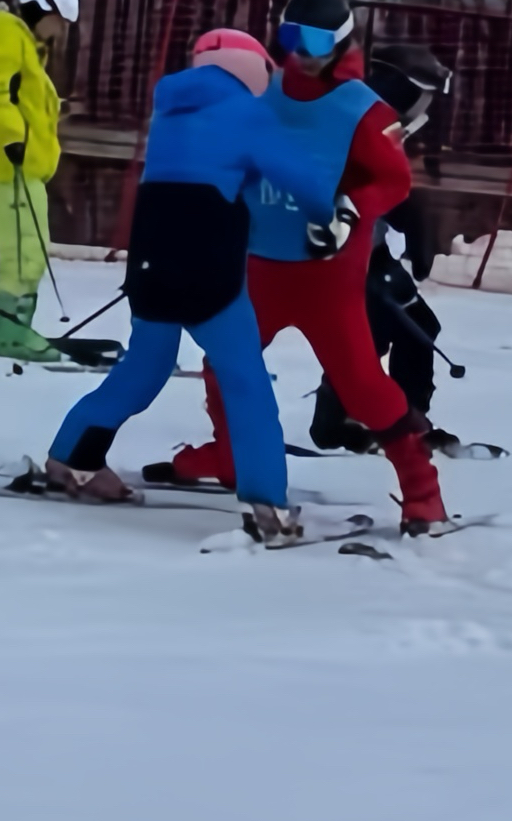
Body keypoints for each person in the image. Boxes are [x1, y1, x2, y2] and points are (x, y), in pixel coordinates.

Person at [155, 0, 449, 531]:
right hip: (259, 266)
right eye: (292, 37)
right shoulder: (262, 92)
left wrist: (351, 209)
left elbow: (394, 181)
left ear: (341, 44)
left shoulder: (362, 109)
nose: (302, 53)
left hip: (327, 276)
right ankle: (232, 456)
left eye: (315, 42)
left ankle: (422, 491)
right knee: (224, 363)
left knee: (361, 384)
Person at [36, 29, 340, 544]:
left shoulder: (170, 113)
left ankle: (71, 457)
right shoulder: (247, 113)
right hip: (207, 268)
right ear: (253, 70)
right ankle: (268, 503)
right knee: (245, 380)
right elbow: (304, 182)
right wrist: (330, 213)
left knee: (144, 367)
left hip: (151, 263)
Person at [307, 47, 456, 455]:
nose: (428, 108)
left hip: (370, 250)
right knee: (368, 333)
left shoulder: (383, 124)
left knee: (415, 326)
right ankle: (338, 421)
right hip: (338, 249)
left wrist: (413, 225)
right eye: (426, 96)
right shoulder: (356, 121)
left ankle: (407, 416)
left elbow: (391, 182)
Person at [0, 0, 75, 361]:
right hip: (10, 164)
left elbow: (22, 97)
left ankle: (17, 325)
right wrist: (12, 137)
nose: (61, 31)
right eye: (58, 21)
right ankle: (10, 332)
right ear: (40, 8)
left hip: (27, 166)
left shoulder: (29, 47)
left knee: (32, 249)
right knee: (22, 251)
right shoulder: (7, 34)